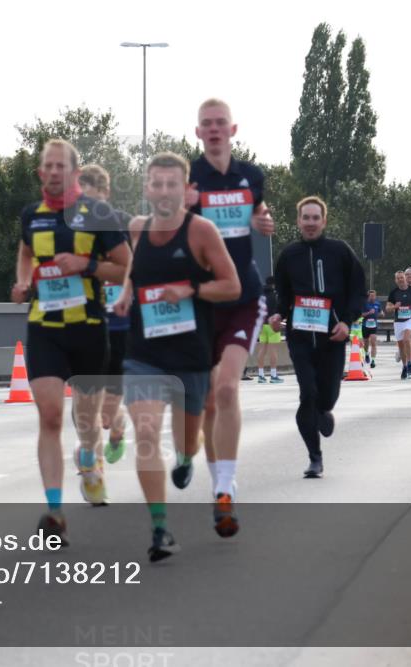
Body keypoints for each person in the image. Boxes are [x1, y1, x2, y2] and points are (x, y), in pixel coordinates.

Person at [113, 152, 240, 561]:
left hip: (190, 355)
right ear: (147, 188)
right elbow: (133, 271)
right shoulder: (137, 228)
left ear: (184, 189)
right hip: (144, 352)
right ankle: (160, 529)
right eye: (157, 184)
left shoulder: (201, 231)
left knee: (188, 442)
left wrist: (192, 290)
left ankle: (186, 458)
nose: (164, 191)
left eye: (172, 184)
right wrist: (125, 294)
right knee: (146, 432)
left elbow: (232, 285)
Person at [10, 139, 131, 545]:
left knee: (87, 420)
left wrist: (87, 265)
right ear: (40, 172)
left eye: (60, 166)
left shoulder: (98, 214)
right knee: (49, 415)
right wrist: (23, 282)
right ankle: (55, 512)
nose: (53, 172)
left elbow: (126, 268)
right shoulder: (32, 215)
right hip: (44, 325)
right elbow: (25, 252)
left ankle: (90, 458)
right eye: (47, 166)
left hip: (88, 327)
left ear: (75, 172)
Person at [185, 98, 275, 536]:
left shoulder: (251, 176)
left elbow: (258, 213)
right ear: (198, 133)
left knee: (226, 387)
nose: (215, 129)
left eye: (221, 122)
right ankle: (217, 481)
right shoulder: (188, 178)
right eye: (208, 124)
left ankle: (226, 488)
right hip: (202, 301)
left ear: (233, 129)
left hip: (242, 296)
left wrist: (263, 221)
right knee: (206, 399)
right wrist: (180, 210)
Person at [268, 196, 365, 479]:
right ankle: (315, 457)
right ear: (298, 221)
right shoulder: (289, 255)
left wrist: (347, 322)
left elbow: (358, 290)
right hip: (300, 338)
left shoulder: (340, 251)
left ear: (324, 221)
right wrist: (278, 314)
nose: (310, 223)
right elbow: (283, 295)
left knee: (327, 397)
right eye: (305, 218)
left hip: (332, 338)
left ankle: (324, 410)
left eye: (315, 218)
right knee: (307, 394)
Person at [79, 164, 132, 464]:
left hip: (120, 328)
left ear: (106, 194)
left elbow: (138, 268)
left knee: (106, 413)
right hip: (85, 324)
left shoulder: (124, 224)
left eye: (93, 198)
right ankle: (93, 467)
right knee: (84, 406)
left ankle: (116, 428)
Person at [386, 271, 411, 380]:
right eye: (398, 278)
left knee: (407, 339)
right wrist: (394, 307)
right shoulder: (393, 292)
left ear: (405, 278)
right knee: (401, 346)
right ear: (396, 280)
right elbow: (387, 308)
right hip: (398, 322)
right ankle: (404, 366)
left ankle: (410, 363)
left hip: (410, 320)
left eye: (401, 277)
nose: (400, 280)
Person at [255, 278, 284, 383]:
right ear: (273, 284)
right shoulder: (275, 295)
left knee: (262, 350)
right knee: (273, 351)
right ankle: (273, 375)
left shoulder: (261, 295)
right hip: (273, 324)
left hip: (262, 325)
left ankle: (260, 375)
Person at [361, 290, 382, 368]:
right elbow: (361, 314)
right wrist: (369, 313)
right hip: (365, 325)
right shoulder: (364, 304)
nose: (372, 297)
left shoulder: (377, 303)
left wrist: (381, 314)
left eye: (373, 296)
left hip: (374, 325)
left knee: (373, 342)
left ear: (375, 296)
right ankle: (366, 354)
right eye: (371, 296)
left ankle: (373, 361)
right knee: (366, 342)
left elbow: (380, 312)